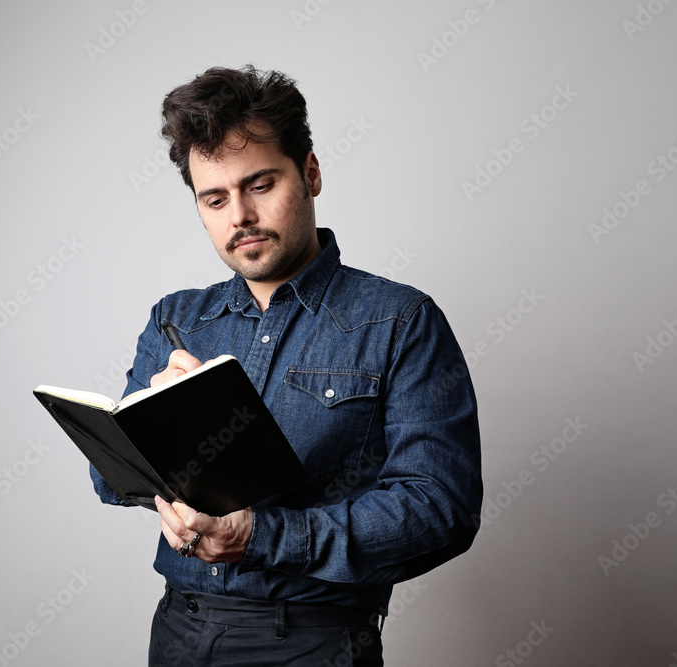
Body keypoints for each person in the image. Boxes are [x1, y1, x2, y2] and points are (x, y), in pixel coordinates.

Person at [90, 64, 482, 666]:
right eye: (214, 198)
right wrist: (162, 429)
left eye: (261, 185)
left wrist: (262, 535)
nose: (239, 215)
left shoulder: (401, 321)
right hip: (177, 630)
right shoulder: (175, 321)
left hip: (314, 640)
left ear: (311, 172)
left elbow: (440, 508)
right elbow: (111, 481)